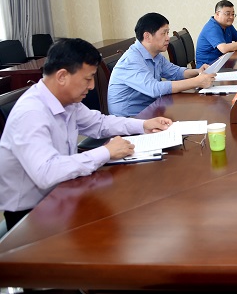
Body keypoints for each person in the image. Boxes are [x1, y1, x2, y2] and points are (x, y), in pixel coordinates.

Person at [0, 38, 173, 230]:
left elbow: (100, 124)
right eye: (87, 78)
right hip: (31, 214)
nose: (91, 86)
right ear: (62, 76)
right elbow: (46, 172)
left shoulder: (66, 101)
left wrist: (143, 125)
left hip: (63, 192)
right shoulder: (31, 113)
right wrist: (106, 152)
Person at [108, 12, 216, 117]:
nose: (168, 38)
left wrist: (198, 71)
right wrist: (196, 81)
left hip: (151, 110)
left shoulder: (156, 55)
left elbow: (175, 72)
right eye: (164, 33)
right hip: (131, 119)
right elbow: (154, 89)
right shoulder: (131, 60)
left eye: (167, 33)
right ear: (147, 36)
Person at [195, 0, 237, 67]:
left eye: (233, 14)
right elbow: (224, 48)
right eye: (227, 14)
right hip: (208, 67)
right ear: (217, 14)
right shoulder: (212, 28)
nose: (231, 17)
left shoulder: (227, 25)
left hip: (222, 62)